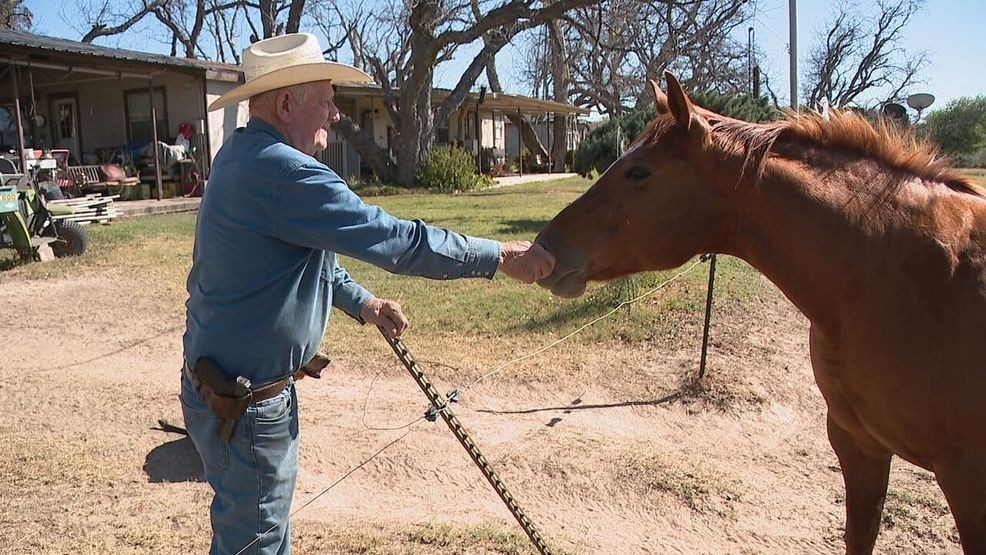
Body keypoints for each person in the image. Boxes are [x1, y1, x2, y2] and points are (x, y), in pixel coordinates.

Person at [180, 32, 555, 554]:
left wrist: (364, 304)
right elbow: (397, 242)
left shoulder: (240, 155)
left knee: (258, 534)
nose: (335, 115)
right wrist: (499, 256)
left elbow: (305, 261)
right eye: (326, 100)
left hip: (216, 390)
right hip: (247, 408)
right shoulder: (286, 175)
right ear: (286, 103)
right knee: (256, 545)